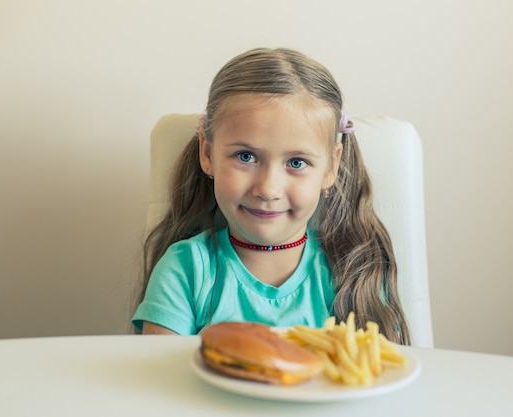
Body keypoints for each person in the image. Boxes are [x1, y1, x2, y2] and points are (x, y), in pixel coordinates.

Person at [132, 47, 411, 345]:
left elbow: (380, 378)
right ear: (207, 152)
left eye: (296, 163)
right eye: (245, 156)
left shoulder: (354, 276)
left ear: (331, 166)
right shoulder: (185, 270)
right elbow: (158, 382)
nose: (267, 189)